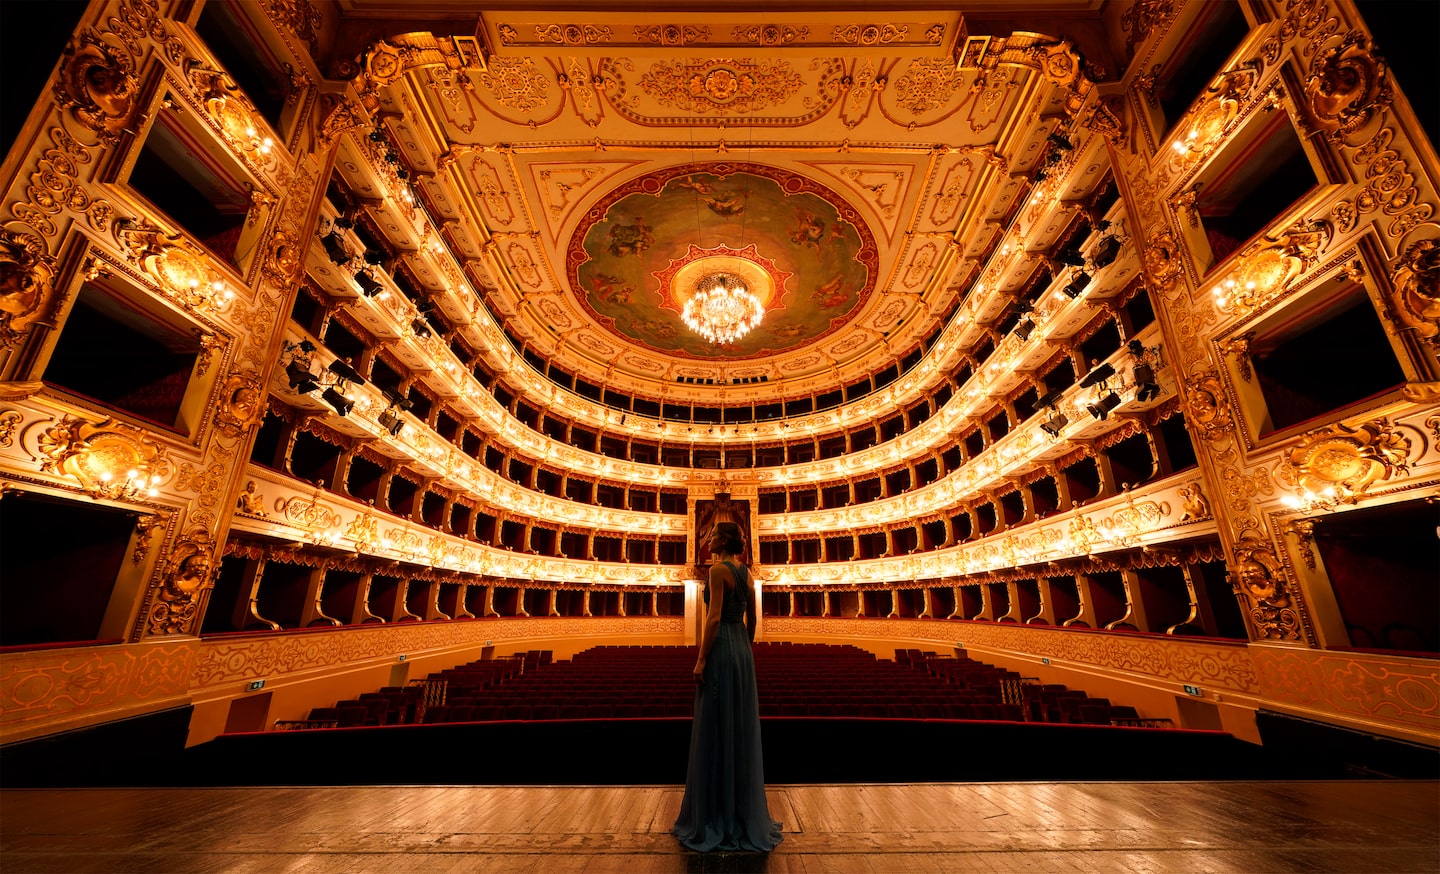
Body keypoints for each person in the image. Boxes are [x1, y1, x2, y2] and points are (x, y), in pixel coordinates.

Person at [673, 521, 784, 853]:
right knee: (739, 724)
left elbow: (713, 618)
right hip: (741, 650)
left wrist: (701, 658)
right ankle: (740, 812)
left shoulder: (718, 571)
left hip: (721, 647)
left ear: (722, 541)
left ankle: (714, 815)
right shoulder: (747, 573)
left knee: (715, 724)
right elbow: (753, 619)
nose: (707, 541)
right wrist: (744, 646)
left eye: (712, 537)